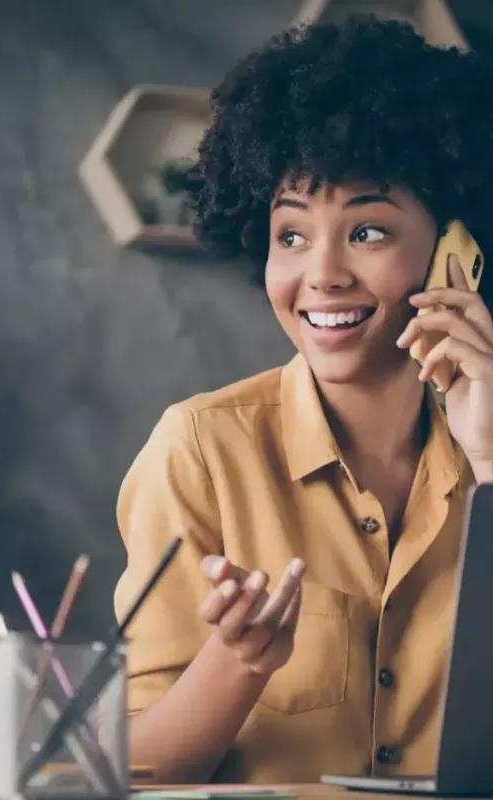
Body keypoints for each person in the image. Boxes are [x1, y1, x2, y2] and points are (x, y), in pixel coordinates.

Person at [113, 15, 493, 786]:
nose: (321, 275)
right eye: (292, 235)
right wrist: (238, 660)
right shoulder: (198, 450)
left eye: (369, 231)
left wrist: (490, 458)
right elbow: (133, 768)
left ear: (457, 253)